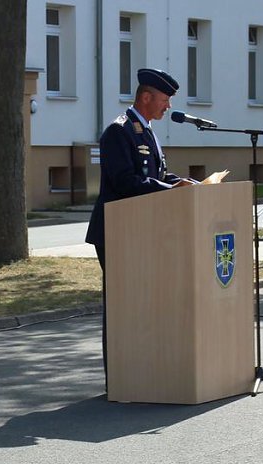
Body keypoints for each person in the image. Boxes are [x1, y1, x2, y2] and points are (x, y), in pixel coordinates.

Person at [84, 68, 196, 383]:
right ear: (146, 97)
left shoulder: (146, 131)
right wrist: (171, 190)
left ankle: (142, 369)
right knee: (123, 304)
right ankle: (120, 374)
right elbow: (125, 182)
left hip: (142, 232)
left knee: (142, 301)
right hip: (117, 232)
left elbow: (158, 175)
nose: (168, 107)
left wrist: (189, 184)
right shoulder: (118, 132)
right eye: (164, 99)